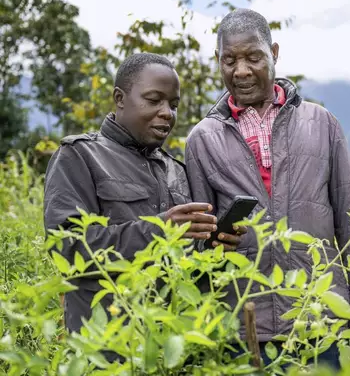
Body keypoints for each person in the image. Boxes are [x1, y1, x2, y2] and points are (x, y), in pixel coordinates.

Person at [184, 9, 350, 374]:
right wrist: (211, 244)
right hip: (241, 331)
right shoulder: (202, 138)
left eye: (253, 57)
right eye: (229, 60)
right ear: (218, 61)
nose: (241, 70)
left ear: (274, 53)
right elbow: (197, 244)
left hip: (319, 323)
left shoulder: (321, 123)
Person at [43, 53, 245, 341]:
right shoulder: (79, 157)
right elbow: (69, 249)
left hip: (172, 344)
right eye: (154, 100)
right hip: (105, 348)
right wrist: (159, 230)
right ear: (120, 98)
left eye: (173, 105)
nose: (167, 113)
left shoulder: (176, 170)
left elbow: (186, 263)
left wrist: (214, 250)